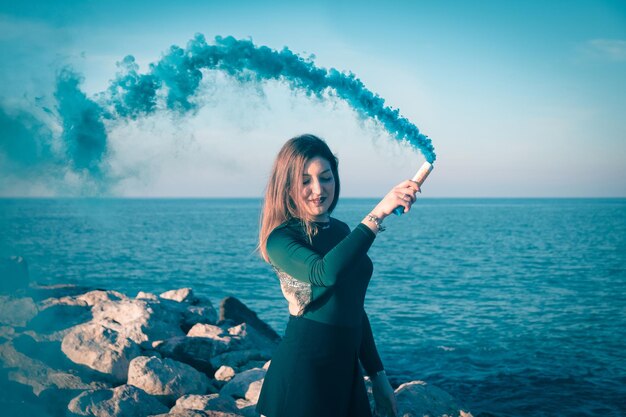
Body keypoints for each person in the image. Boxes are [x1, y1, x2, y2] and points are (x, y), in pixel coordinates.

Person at [255, 134, 420, 417]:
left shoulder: (343, 231)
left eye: (326, 177)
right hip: (304, 373)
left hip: (346, 371)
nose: (318, 189)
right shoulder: (280, 239)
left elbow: (355, 309)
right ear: (287, 185)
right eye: (305, 180)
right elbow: (324, 273)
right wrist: (378, 213)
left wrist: (379, 378)